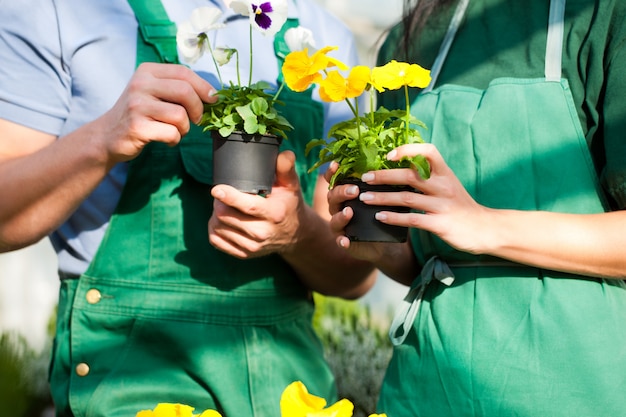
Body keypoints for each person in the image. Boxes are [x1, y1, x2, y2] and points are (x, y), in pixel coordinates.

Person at [0, 0, 376, 416]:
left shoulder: (324, 38)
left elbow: (355, 276)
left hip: (286, 392)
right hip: (131, 383)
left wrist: (297, 232)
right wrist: (103, 139)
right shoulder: (64, 10)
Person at [326, 0, 626, 416]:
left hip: (570, 384)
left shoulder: (602, 13)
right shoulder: (409, 41)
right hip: (427, 381)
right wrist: (380, 246)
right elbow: (425, 259)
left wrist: (485, 225)